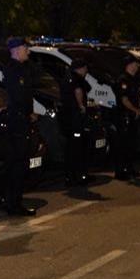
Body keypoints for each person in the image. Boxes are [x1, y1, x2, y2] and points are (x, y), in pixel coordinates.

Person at [1, 37, 38, 216]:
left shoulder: (19, 69)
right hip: (18, 122)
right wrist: (27, 114)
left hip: (19, 120)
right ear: (16, 50)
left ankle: (9, 199)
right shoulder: (14, 70)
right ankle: (14, 203)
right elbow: (18, 98)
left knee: (14, 163)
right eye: (25, 48)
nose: (28, 51)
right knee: (18, 164)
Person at [112, 54, 140, 180]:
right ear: (129, 65)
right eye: (136, 64)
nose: (137, 66)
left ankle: (130, 169)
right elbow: (124, 99)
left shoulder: (133, 79)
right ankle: (121, 171)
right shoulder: (123, 80)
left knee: (131, 144)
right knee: (123, 145)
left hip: (131, 115)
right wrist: (135, 109)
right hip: (124, 116)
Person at [60, 57, 92, 186]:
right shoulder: (76, 79)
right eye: (85, 68)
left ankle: (72, 175)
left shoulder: (67, 77)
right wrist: (81, 106)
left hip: (69, 118)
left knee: (72, 148)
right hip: (75, 119)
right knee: (77, 148)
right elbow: (78, 91)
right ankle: (76, 176)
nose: (87, 71)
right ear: (80, 68)